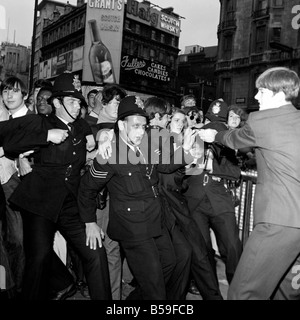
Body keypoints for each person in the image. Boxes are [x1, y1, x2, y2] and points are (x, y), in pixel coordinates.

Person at [77, 95, 197, 300]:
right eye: (136, 126)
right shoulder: (109, 153)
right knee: (155, 286)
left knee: (170, 263)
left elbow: (164, 166)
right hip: (132, 226)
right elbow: (87, 189)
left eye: (143, 126)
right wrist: (89, 222)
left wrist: (185, 151)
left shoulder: (146, 145)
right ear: (122, 125)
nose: (141, 131)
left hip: (155, 218)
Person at [9, 71, 111, 300]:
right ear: (57, 102)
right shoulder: (41, 123)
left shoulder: (82, 126)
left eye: (78, 102)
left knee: (95, 251)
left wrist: (103, 142)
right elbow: (12, 144)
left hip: (70, 203)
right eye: (72, 101)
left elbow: (91, 147)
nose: (77, 106)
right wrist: (43, 139)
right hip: (40, 203)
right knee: (39, 258)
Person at [200, 66, 300, 300]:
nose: (256, 97)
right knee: (285, 292)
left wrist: (213, 135)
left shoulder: (262, 120)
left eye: (261, 92)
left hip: (277, 222)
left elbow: (233, 138)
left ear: (278, 93)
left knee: (243, 291)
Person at [159, 107, 223, 300]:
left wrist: (195, 155)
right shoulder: (159, 139)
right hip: (163, 203)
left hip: (179, 203)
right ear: (168, 121)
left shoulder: (185, 142)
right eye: (176, 120)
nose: (180, 124)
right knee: (177, 257)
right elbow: (164, 169)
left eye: (182, 121)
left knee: (193, 253)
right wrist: (185, 150)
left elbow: (189, 173)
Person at [183, 98, 242, 288]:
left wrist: (213, 166)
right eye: (210, 124)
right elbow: (181, 168)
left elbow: (235, 172)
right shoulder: (193, 135)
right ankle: (209, 289)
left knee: (232, 246)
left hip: (219, 200)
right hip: (195, 198)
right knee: (202, 250)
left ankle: (237, 287)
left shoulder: (227, 140)